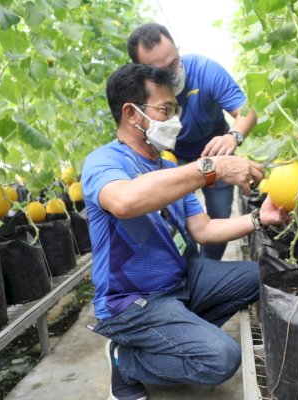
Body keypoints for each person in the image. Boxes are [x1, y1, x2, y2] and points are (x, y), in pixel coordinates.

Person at [81, 63, 287, 400]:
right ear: (132, 114)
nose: (175, 118)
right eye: (166, 109)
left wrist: (260, 219)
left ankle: (178, 330)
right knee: (221, 358)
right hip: (134, 301)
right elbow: (123, 200)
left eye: (175, 108)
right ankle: (126, 360)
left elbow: (203, 229)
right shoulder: (103, 161)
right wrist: (212, 168)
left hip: (179, 282)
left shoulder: (167, 166)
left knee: (263, 276)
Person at [127, 23, 258, 260]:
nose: (175, 71)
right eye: (163, 70)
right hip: (171, 159)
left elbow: (247, 112)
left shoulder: (204, 70)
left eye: (175, 62)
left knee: (219, 219)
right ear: (141, 71)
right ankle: (190, 270)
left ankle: (210, 268)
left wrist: (233, 136)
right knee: (177, 221)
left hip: (215, 151)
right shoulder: (137, 95)